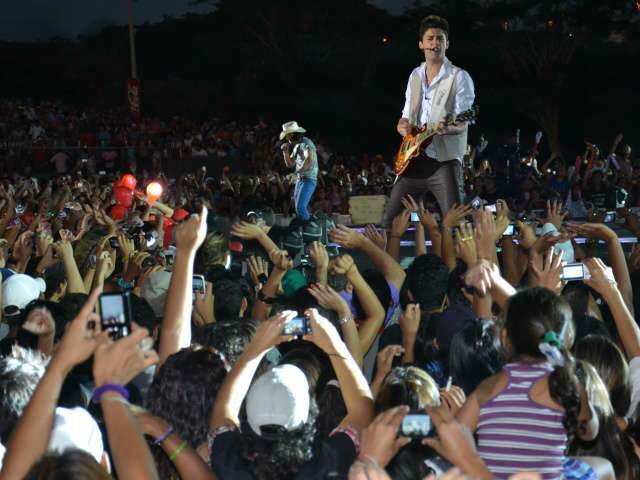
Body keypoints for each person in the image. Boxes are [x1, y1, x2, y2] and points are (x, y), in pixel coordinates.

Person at [383, 15, 475, 229]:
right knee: (391, 221)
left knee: (455, 223)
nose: (435, 43)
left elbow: (463, 121)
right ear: (421, 44)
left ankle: (461, 261)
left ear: (447, 44)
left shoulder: (460, 77)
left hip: (444, 160)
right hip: (412, 159)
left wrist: (447, 128)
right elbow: (405, 116)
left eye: (440, 39)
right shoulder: (415, 75)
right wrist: (402, 127)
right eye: (431, 38)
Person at [279, 121, 318, 222]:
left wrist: (295, 174)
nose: (286, 139)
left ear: (293, 135)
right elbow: (290, 164)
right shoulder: (296, 146)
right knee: (297, 208)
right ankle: (309, 224)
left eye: (287, 136)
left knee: (300, 208)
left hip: (309, 179)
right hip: (301, 179)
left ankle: (311, 227)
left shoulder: (307, 143)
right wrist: (285, 152)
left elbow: (308, 163)